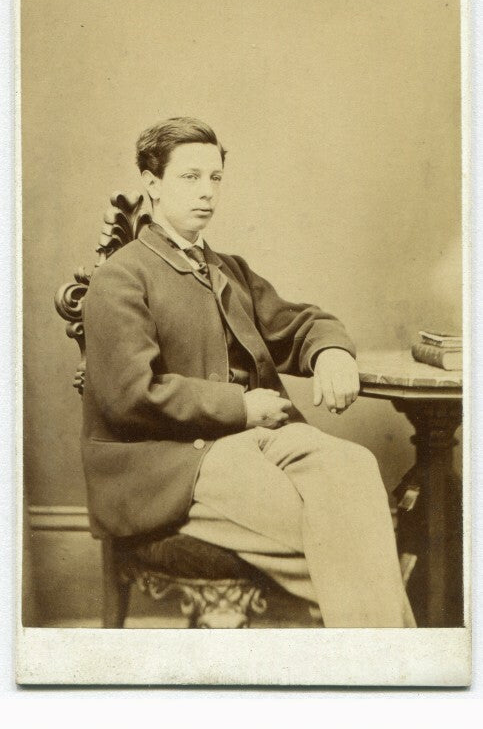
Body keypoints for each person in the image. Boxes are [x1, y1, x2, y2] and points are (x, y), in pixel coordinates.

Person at [82, 116, 415, 626]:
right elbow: (130, 395)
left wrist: (331, 353)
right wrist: (241, 406)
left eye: (214, 177)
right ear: (152, 183)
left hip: (257, 437)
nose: (207, 192)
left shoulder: (228, 269)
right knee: (341, 532)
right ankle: (386, 659)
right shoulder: (120, 277)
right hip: (170, 459)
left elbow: (301, 323)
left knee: (354, 468)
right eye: (190, 177)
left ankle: (372, 651)